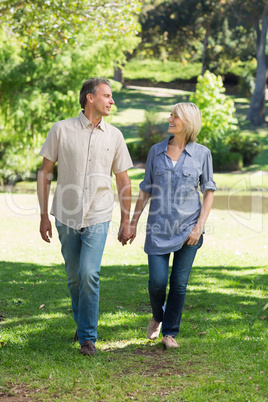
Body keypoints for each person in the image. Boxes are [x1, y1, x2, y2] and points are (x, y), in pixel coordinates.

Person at [37, 77, 133, 356]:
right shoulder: (61, 130)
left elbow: (123, 180)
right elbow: (45, 173)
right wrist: (43, 215)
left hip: (99, 213)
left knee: (89, 273)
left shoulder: (114, 135)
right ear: (90, 98)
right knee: (74, 277)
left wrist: (126, 221)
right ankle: (82, 324)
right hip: (66, 214)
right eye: (107, 95)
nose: (111, 101)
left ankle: (88, 337)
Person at [130, 102, 216, 349]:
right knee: (157, 282)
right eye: (171, 115)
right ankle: (158, 315)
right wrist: (133, 223)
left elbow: (209, 191)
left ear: (187, 122)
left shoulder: (202, 154)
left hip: (189, 229)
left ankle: (169, 332)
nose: (170, 119)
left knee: (179, 284)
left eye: (175, 116)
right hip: (158, 228)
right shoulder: (156, 151)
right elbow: (146, 189)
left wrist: (198, 227)